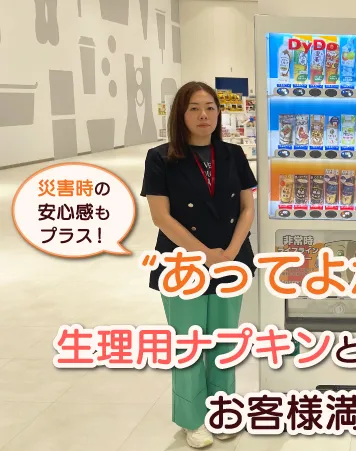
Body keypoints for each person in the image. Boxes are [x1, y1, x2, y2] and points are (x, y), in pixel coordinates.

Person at [140, 81, 258, 448]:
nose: (203, 115)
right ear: (180, 114)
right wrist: (206, 254)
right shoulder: (160, 157)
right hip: (182, 263)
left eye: (210, 107)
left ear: (219, 113)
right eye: (194, 108)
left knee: (224, 340)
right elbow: (161, 217)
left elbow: (247, 208)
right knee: (189, 344)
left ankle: (222, 411)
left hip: (231, 261)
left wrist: (231, 253)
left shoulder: (234, 154)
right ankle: (193, 419)